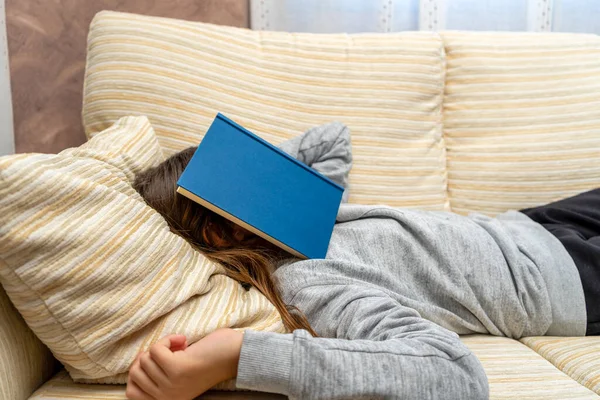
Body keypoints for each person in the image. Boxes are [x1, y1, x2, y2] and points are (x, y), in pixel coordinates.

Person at [125, 122, 598, 400]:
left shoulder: (302, 221)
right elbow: (456, 373)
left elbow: (332, 140)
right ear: (219, 231)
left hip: (525, 225)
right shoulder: (308, 284)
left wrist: (265, 179)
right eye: (240, 185)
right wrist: (239, 355)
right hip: (560, 277)